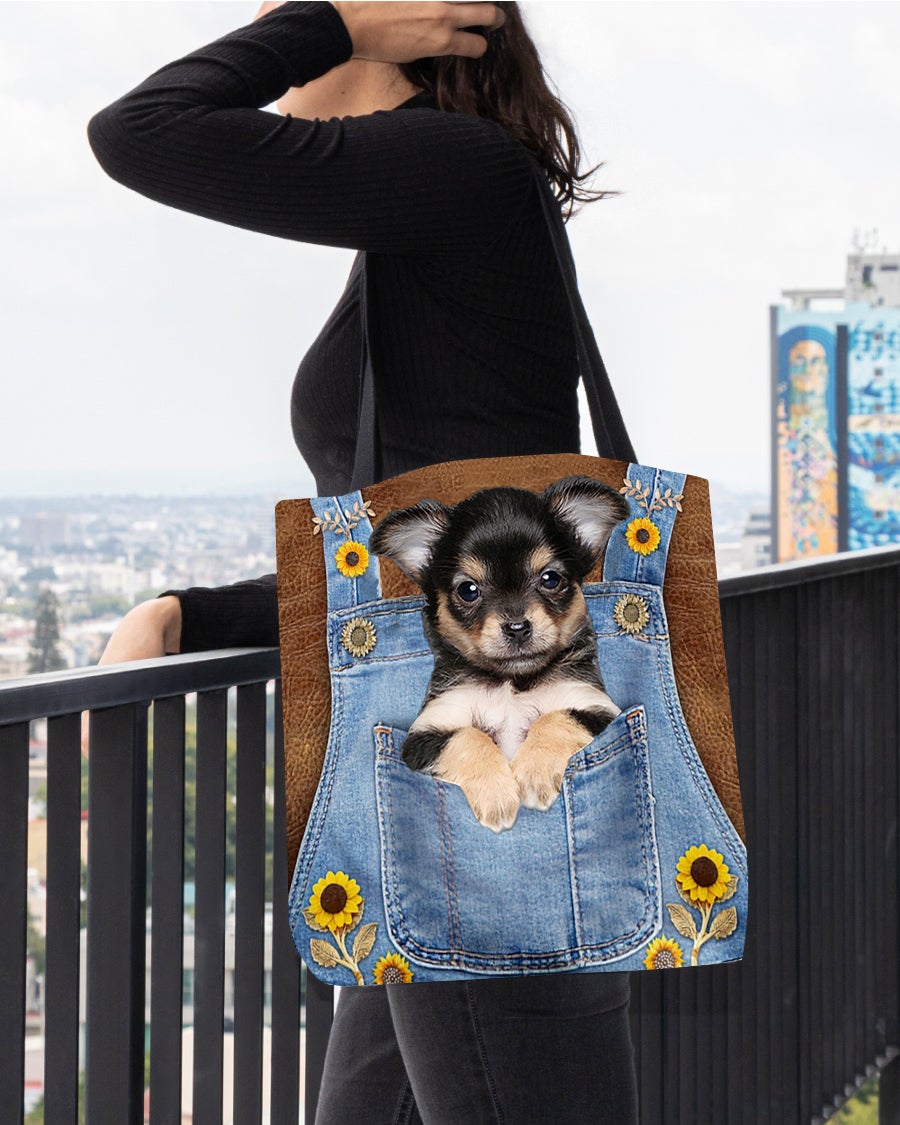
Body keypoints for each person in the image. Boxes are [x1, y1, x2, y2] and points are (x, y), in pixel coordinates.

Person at [88, 3, 639, 1121]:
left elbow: (140, 129)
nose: (267, 30)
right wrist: (195, 614)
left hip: (481, 800)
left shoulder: (456, 170)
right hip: (447, 779)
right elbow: (432, 568)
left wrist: (334, 25)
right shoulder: (440, 206)